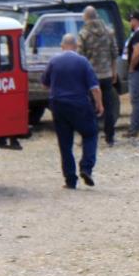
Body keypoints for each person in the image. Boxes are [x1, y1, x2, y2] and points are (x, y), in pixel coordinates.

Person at [41, 34, 103, 189]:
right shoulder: (82, 62)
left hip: (59, 105)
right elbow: (94, 88)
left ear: (62, 46)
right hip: (79, 104)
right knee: (90, 134)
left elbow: (45, 83)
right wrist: (99, 104)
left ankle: (70, 179)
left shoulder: (54, 61)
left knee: (65, 143)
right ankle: (86, 168)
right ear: (76, 46)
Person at [77, 6, 119, 145]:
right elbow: (114, 53)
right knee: (109, 107)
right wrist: (114, 71)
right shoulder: (109, 31)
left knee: (89, 108)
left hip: (91, 76)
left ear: (86, 17)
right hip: (106, 74)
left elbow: (80, 57)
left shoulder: (83, 34)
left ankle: (89, 137)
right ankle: (110, 137)